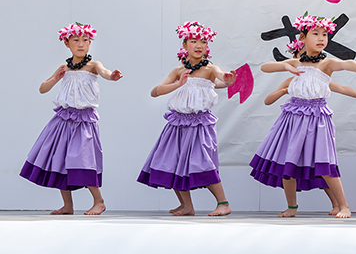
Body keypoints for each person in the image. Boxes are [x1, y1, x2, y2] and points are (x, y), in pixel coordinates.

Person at [250, 12, 356, 218]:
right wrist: (285, 66)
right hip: (292, 119)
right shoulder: (295, 66)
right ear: (302, 38)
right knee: (288, 163)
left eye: (325, 34)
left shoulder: (326, 64)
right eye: (315, 33)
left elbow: (348, 65)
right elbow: (264, 68)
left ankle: (344, 205)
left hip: (317, 118)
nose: (322, 38)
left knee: (324, 164)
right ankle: (292, 207)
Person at [20, 23, 123, 215]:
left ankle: (99, 200)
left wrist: (113, 76)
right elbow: (42, 88)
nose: (81, 44)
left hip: (83, 121)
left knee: (83, 160)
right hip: (64, 119)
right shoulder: (64, 67)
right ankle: (68, 205)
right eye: (76, 40)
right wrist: (56, 78)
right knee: (61, 158)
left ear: (90, 43)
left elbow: (105, 73)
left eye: (86, 40)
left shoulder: (93, 65)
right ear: (67, 44)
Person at [138, 21, 236, 216]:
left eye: (203, 42)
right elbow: (155, 92)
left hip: (200, 123)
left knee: (203, 162)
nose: (199, 45)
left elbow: (221, 77)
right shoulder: (178, 71)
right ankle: (187, 206)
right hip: (177, 123)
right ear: (184, 45)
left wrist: (227, 79)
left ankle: (223, 203)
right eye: (193, 41)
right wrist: (179, 83)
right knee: (173, 161)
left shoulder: (209, 68)